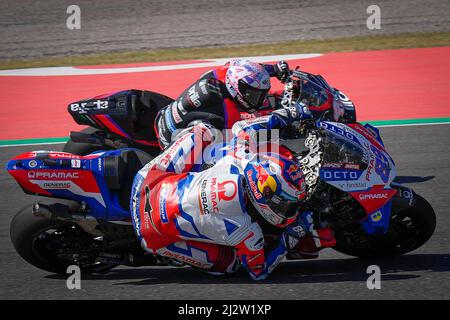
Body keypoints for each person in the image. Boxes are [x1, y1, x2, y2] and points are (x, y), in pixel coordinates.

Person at [130, 101, 334, 280]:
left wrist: (288, 114)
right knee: (231, 265)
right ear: (265, 198)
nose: (288, 209)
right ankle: (167, 252)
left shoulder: (241, 155)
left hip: (147, 180)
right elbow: (258, 271)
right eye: (284, 203)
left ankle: (164, 147)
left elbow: (243, 127)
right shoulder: (246, 230)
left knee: (206, 131)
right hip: (151, 233)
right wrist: (293, 234)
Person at [154, 59, 291, 148]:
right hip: (171, 141)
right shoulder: (226, 111)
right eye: (254, 95)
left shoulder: (223, 73)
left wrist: (273, 69)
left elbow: (249, 70)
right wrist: (275, 128)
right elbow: (241, 137)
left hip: (165, 116)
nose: (260, 100)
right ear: (237, 86)